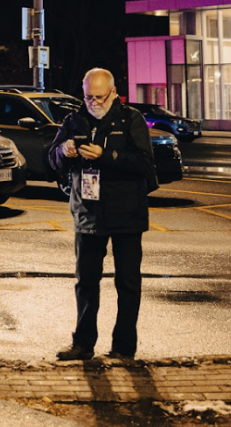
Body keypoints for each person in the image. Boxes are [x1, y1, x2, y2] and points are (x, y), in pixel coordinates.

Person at [47, 67, 158, 361]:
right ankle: (83, 344)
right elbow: (51, 158)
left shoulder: (131, 119)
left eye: (99, 96)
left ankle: (123, 347)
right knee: (86, 282)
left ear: (112, 93)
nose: (93, 102)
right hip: (88, 212)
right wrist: (63, 151)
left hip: (127, 213)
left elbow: (144, 163)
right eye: (87, 96)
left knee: (128, 283)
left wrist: (106, 156)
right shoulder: (74, 119)